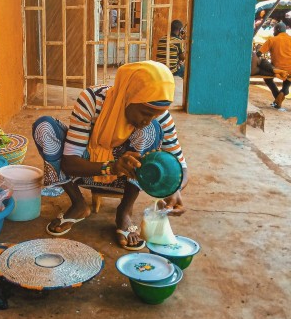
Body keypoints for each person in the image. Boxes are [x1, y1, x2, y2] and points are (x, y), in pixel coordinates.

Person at [32, 61, 188, 251]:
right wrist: (112, 166)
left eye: (156, 115)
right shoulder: (92, 100)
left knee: (151, 131)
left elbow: (180, 165)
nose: (148, 120)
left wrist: (174, 189)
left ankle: (124, 211)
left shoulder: (157, 118)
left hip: (127, 178)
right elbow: (70, 162)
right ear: (127, 96)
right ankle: (78, 204)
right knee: (44, 127)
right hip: (85, 169)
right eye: (145, 113)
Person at [257, 22, 291, 109]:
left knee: (268, 80)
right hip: (290, 69)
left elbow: (259, 53)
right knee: (287, 83)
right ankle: (283, 93)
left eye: (274, 30)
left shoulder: (272, 40)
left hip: (276, 68)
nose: (273, 32)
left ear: (277, 30)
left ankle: (277, 97)